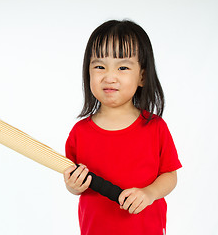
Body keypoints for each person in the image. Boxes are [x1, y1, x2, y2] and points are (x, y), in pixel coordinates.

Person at [63, 19, 182, 235]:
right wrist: (73, 186)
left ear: (142, 76)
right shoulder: (80, 132)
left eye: (123, 67)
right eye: (99, 66)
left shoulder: (155, 127)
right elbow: (72, 182)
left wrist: (149, 193)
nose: (110, 77)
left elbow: (170, 175)